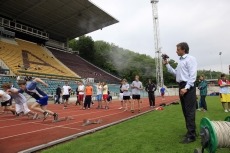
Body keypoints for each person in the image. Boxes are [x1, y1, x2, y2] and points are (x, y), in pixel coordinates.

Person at [163, 42, 197, 144]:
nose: (176, 51)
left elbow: (193, 75)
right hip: (181, 86)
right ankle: (190, 132)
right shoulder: (181, 61)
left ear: (184, 50)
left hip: (188, 87)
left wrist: (186, 88)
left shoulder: (190, 59)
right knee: (185, 110)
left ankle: (191, 136)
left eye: (178, 49)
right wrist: (167, 64)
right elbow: (175, 72)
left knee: (190, 111)